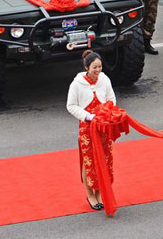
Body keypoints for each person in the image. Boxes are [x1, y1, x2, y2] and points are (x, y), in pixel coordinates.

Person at [66, 50, 116, 211]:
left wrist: (107, 112)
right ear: (87, 67)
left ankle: (99, 191)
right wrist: (89, 116)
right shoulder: (77, 84)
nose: (98, 70)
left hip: (103, 126)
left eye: (100, 67)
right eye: (95, 67)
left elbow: (111, 99)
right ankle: (90, 194)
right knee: (88, 160)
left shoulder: (104, 79)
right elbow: (71, 106)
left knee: (104, 158)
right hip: (88, 127)